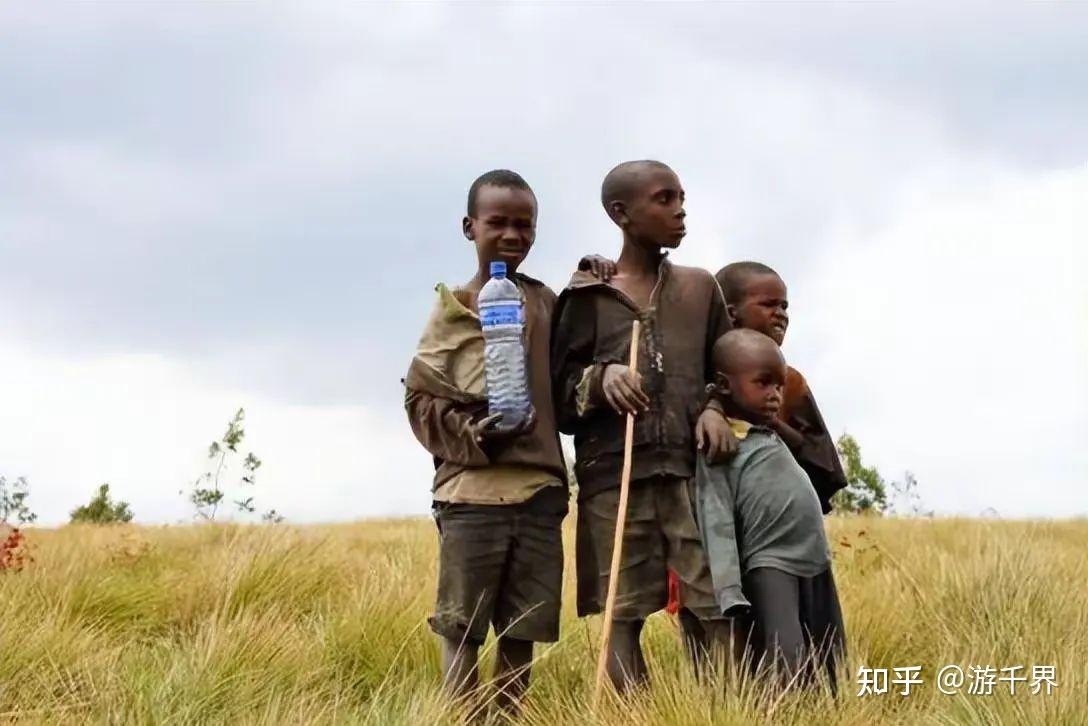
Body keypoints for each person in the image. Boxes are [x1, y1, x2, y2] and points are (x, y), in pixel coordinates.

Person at [551, 160, 737, 692]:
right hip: (614, 479)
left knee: (714, 606)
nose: (680, 210)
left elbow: (725, 371)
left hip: (691, 477)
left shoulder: (701, 290)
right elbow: (559, 400)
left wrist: (712, 408)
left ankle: (720, 709)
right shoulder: (585, 298)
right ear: (622, 214)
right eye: (663, 199)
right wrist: (599, 378)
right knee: (621, 613)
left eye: (681, 196)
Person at [404, 169, 568, 715]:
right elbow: (420, 404)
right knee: (462, 628)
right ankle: (460, 716)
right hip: (470, 494)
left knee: (523, 629)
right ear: (469, 226)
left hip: (539, 493)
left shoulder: (545, 304)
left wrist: (595, 278)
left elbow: (567, 380)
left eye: (525, 225)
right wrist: (477, 434)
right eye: (498, 223)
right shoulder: (452, 311)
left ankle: (507, 717)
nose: (512, 235)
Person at [696, 328, 846, 691]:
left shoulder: (767, 433)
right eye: (763, 383)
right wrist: (729, 589)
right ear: (723, 385)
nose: (775, 395)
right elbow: (714, 516)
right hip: (770, 562)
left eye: (778, 386)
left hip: (815, 560)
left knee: (831, 657)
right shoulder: (720, 441)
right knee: (786, 659)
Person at [715, 262, 847, 513]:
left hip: (773, 518)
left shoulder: (792, 383)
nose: (781, 313)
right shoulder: (699, 372)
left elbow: (823, 469)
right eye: (768, 304)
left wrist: (771, 423)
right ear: (731, 313)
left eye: (784, 306)